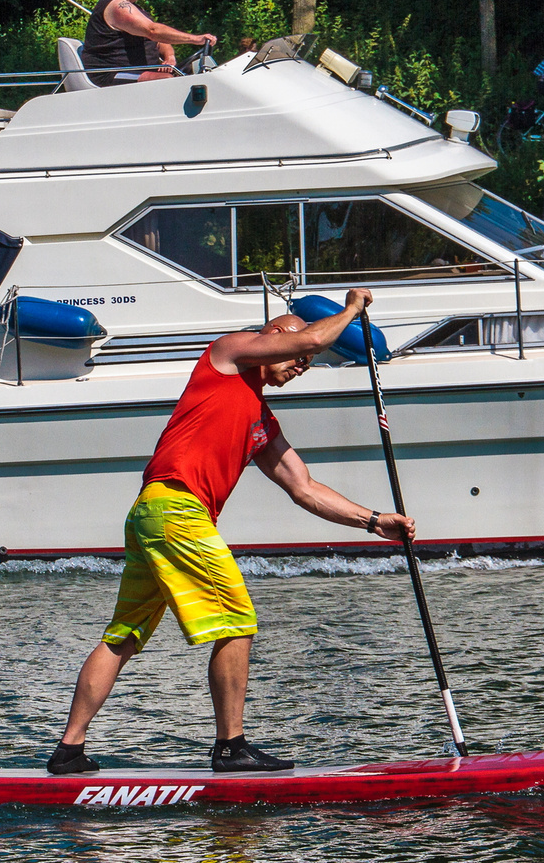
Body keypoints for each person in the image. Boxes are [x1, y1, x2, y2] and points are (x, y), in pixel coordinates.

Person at [47, 289, 417, 775]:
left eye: (307, 360)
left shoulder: (260, 419)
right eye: (299, 353)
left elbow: (303, 487)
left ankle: (68, 752)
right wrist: (350, 312)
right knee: (237, 619)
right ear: (273, 336)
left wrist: (373, 521)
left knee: (126, 634)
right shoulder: (228, 354)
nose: (302, 363)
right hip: (177, 511)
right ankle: (230, 747)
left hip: (151, 515)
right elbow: (311, 335)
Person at [82, 0, 217, 86]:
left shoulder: (131, 6)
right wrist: (195, 39)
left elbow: (158, 40)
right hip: (110, 74)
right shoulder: (118, 6)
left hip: (135, 71)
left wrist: (169, 56)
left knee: (192, 70)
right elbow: (153, 31)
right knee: (168, 80)